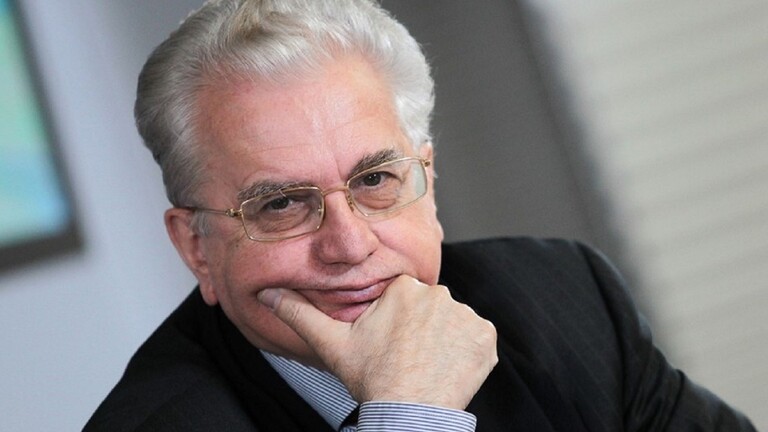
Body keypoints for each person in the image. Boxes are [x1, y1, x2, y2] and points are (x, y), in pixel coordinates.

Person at [84, 0, 756, 430]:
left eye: (375, 179)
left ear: (427, 186)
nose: (349, 244)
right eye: (282, 204)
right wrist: (410, 415)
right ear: (196, 247)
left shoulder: (560, 296)